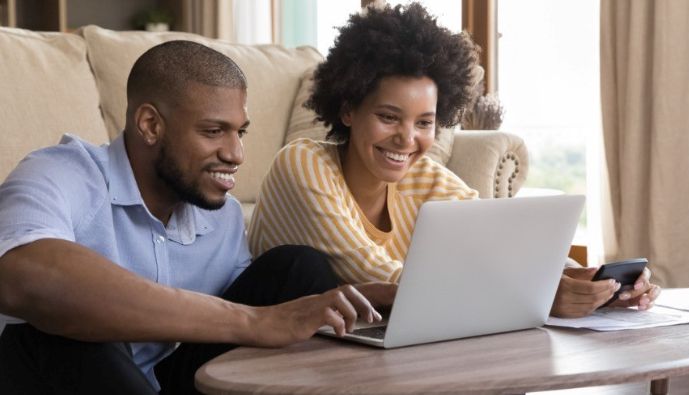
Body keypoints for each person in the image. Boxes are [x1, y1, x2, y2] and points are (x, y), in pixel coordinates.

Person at [0, 40, 394, 395]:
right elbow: (21, 276)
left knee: (299, 268)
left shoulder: (219, 212)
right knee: (58, 328)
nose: (236, 153)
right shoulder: (61, 173)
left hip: (165, 379)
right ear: (150, 125)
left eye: (240, 132)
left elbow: (251, 311)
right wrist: (253, 321)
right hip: (61, 377)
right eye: (213, 131)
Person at [248, 3, 661, 319]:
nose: (406, 139)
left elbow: (506, 238)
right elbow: (379, 276)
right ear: (348, 110)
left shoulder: (423, 176)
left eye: (424, 122)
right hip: (288, 353)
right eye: (388, 117)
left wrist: (594, 280)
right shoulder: (302, 165)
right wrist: (541, 294)